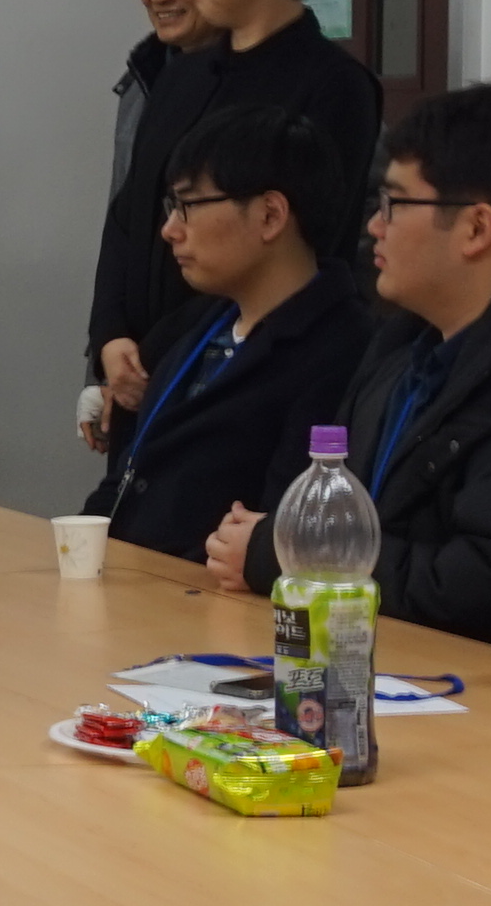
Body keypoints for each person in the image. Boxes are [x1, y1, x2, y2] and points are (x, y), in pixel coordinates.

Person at [202, 79, 491, 642]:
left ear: (476, 227)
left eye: (394, 204)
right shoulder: (404, 347)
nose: (374, 226)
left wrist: (288, 558)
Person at [92, 0, 376, 456]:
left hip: (241, 372)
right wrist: (111, 336)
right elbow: (130, 210)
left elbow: (304, 251)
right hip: (140, 370)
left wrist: (156, 352)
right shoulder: (183, 72)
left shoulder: (332, 86)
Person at [88, 102, 377, 563]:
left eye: (189, 206)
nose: (169, 230)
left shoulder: (341, 349)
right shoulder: (196, 326)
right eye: (171, 206)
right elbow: (131, 473)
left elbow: (283, 526)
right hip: (135, 585)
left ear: (270, 216)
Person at [73, 0, 213, 447]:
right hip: (134, 368)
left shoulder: (272, 86)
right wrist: (104, 358)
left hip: (209, 365)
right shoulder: (144, 79)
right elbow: (123, 225)